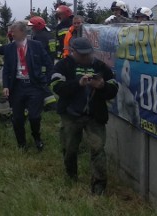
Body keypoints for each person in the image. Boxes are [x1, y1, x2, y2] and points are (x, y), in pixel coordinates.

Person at [50, 37, 118, 195]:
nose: (86, 58)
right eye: (82, 55)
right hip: (70, 115)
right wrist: (77, 84)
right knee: (70, 148)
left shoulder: (101, 67)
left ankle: (99, 188)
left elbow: (114, 89)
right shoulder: (63, 65)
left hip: (95, 116)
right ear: (73, 52)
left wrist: (102, 86)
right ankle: (71, 176)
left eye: (89, 54)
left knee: (98, 150)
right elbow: (56, 86)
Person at [2, 20, 54, 150]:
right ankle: (21, 144)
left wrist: (46, 80)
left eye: (14, 32)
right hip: (17, 86)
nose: (12, 34)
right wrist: (6, 86)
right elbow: (7, 69)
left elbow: (49, 64)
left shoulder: (36, 45)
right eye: (11, 32)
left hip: (34, 86)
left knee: (34, 116)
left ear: (23, 32)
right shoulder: (9, 48)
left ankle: (37, 138)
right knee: (17, 118)